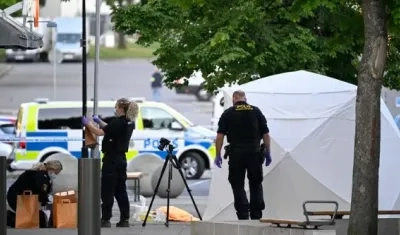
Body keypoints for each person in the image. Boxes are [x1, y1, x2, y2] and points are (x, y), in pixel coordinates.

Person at [214, 90, 271, 220]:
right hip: (255, 153)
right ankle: (256, 215)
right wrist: (268, 151)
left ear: (234, 99)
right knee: (256, 183)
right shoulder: (256, 111)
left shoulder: (228, 113)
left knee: (237, 184)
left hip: (236, 154)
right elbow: (266, 134)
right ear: (245, 99)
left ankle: (243, 214)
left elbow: (220, 136)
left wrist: (218, 154)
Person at [82, 98, 138, 228]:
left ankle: (105, 219)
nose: (115, 109)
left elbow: (99, 132)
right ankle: (124, 219)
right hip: (121, 160)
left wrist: (88, 123)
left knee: (107, 191)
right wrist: (99, 121)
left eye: (117, 107)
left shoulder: (117, 123)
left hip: (111, 160)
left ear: (122, 109)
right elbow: (108, 128)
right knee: (120, 191)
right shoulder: (129, 122)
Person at [7, 160, 63, 228]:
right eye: (56, 173)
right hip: (19, 199)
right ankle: (9, 218)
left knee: (39, 219)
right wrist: (46, 200)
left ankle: (12, 217)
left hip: (16, 197)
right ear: (52, 169)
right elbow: (41, 192)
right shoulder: (41, 176)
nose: (55, 175)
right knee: (37, 221)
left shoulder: (39, 173)